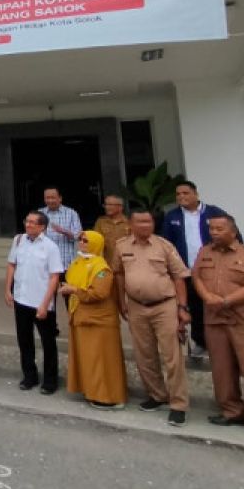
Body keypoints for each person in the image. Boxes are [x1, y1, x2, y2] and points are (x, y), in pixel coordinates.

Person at [193, 215, 244, 442]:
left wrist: (225, 300)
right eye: (212, 229)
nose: (214, 232)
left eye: (219, 229)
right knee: (222, 370)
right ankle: (231, 411)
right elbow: (197, 277)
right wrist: (208, 297)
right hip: (215, 321)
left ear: (233, 232)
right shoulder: (205, 252)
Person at [114, 208, 191, 427]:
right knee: (144, 354)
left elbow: (179, 277)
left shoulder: (164, 246)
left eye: (148, 222)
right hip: (137, 307)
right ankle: (157, 395)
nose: (145, 226)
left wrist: (183, 307)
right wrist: (121, 301)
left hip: (164, 306)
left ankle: (178, 404)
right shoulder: (121, 246)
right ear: (131, 223)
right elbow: (118, 274)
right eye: (140, 222)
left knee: (172, 357)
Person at [60, 230, 127, 409]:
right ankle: (90, 390)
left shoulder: (101, 267)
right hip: (81, 317)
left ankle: (108, 397)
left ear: (96, 244)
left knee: (102, 360)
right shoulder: (79, 262)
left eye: (86, 240)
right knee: (88, 359)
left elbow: (100, 293)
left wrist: (73, 290)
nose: (81, 243)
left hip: (99, 321)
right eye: (80, 240)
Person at [162, 181, 228, 358]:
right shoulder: (171, 217)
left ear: (196, 194)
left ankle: (222, 342)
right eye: (178, 194)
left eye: (185, 193)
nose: (181, 197)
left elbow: (232, 235)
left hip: (212, 270)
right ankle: (201, 342)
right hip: (186, 271)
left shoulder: (214, 212)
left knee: (216, 304)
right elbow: (166, 244)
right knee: (196, 307)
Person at [5, 211, 63, 395]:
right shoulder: (19, 240)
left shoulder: (50, 247)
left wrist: (45, 304)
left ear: (42, 227)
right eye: (26, 221)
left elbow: (55, 277)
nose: (28, 225)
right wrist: (8, 289)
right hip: (21, 299)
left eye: (32, 222)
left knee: (48, 342)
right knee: (25, 341)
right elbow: (12, 265)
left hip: (41, 302)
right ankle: (29, 376)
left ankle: (50, 380)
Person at [92, 194, 130, 269]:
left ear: (120, 207)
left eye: (110, 205)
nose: (106, 207)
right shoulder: (101, 222)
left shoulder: (129, 223)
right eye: (105, 204)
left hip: (126, 266)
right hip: (106, 265)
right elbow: (95, 243)